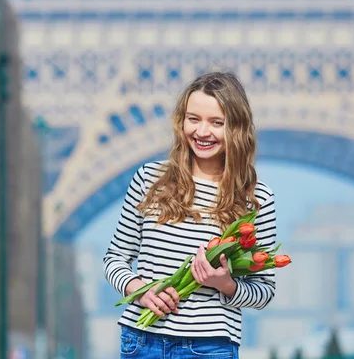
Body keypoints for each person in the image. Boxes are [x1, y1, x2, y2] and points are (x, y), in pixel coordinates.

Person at [103, 72, 277, 358]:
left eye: (216, 123)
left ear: (237, 128)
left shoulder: (256, 200)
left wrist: (224, 283)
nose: (202, 131)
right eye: (193, 119)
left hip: (209, 347)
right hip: (142, 340)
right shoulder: (149, 179)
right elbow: (115, 259)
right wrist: (141, 290)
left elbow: (264, 291)